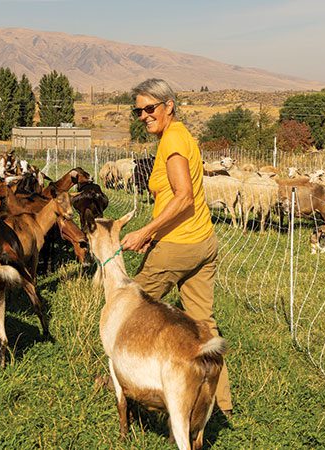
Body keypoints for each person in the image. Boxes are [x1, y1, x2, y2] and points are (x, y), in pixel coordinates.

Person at [120, 78, 233, 418]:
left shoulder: (171, 141)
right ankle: (219, 402)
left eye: (149, 108)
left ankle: (126, 383)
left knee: (127, 307)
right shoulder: (182, 135)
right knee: (204, 325)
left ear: (168, 105)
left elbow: (183, 196)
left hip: (178, 246)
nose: (143, 115)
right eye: (138, 110)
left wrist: (146, 232)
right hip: (203, 242)